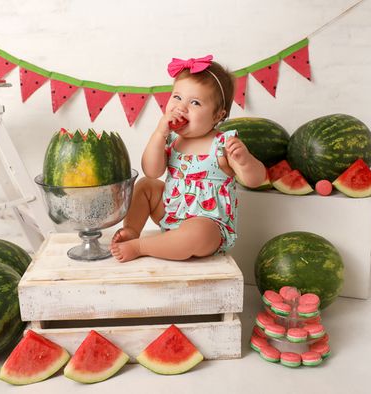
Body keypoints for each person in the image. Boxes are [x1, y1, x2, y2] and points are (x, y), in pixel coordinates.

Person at [110, 55, 265, 262]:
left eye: (195, 102)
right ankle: (131, 230)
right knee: (146, 185)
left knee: (198, 232)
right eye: (177, 97)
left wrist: (244, 160)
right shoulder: (172, 139)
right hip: (171, 211)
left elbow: (255, 179)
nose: (181, 107)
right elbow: (152, 170)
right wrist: (159, 134)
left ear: (218, 115)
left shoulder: (223, 144)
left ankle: (142, 247)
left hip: (208, 224)